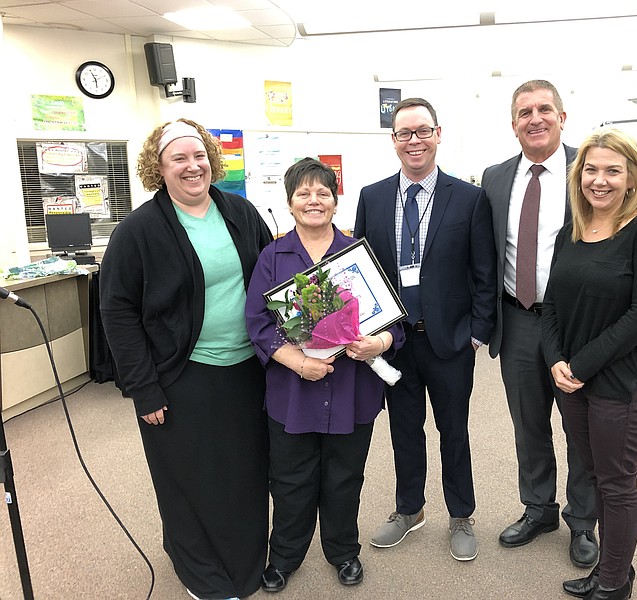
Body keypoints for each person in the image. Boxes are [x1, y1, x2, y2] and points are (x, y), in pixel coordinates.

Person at [99, 118, 272, 600]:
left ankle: (245, 562)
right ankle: (202, 572)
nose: (192, 166)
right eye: (179, 158)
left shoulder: (239, 211)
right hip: (180, 375)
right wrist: (143, 388)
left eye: (199, 156)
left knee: (244, 471)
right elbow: (117, 311)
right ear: (159, 167)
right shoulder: (139, 230)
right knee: (191, 477)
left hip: (247, 370)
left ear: (211, 160)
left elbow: (272, 277)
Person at [244, 158, 405, 592]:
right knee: (291, 480)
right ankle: (285, 557)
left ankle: (343, 551)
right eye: (304, 194)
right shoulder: (273, 256)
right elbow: (257, 323)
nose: (314, 201)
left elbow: (391, 320)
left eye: (323, 193)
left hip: (352, 389)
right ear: (290, 202)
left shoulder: (358, 255)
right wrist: (298, 362)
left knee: (345, 477)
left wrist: (380, 344)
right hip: (293, 391)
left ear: (335, 201)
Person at [354, 98, 496, 562]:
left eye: (421, 131)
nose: (413, 141)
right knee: (404, 430)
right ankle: (408, 508)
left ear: (438, 134)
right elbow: (359, 271)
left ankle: (461, 514)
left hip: (450, 341)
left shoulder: (470, 198)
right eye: (403, 133)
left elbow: (484, 272)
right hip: (393, 342)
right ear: (393, 140)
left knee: (454, 430)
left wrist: (477, 333)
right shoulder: (372, 197)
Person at [541, 127, 637, 600]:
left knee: (617, 482)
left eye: (612, 171)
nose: (600, 180)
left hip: (621, 381)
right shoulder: (569, 233)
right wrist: (555, 358)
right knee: (595, 472)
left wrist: (579, 364)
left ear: (631, 176)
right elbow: (551, 303)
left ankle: (615, 581)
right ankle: (611, 571)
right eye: (591, 170)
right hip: (572, 378)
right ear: (579, 176)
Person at [481, 80, 598, 568]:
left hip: (574, 325)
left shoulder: (588, 170)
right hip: (518, 320)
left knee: (581, 428)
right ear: (513, 124)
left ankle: (583, 521)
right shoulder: (493, 177)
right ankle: (539, 508)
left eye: (544, 109)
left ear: (562, 116)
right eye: (524, 111)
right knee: (528, 424)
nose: (535, 118)